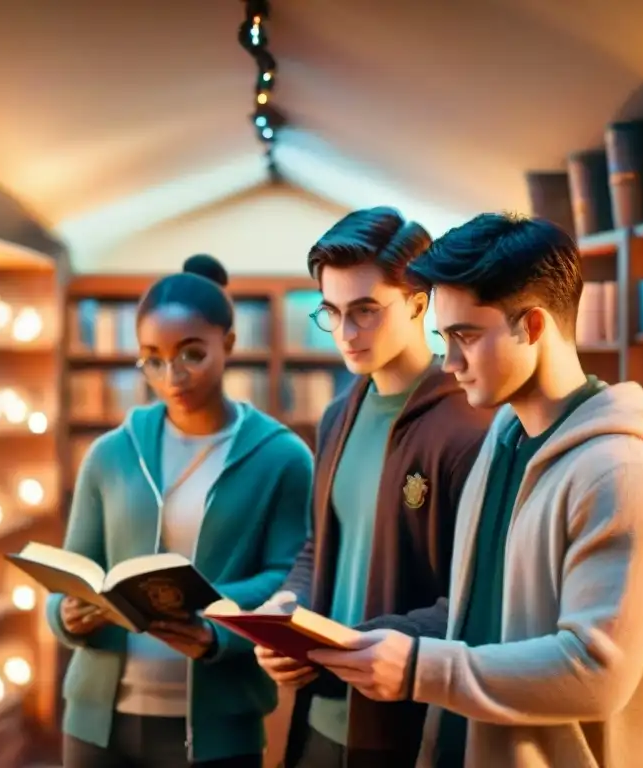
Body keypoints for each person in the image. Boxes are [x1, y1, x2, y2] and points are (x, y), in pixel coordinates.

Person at [307, 213, 643, 768]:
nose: (450, 363)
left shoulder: (623, 470)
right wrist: (369, 642)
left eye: (466, 338)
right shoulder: (504, 440)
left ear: (531, 327)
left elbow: (594, 673)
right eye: (445, 338)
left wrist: (419, 669)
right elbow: (479, 612)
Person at [46, 254, 314, 768]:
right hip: (99, 722)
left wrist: (214, 619)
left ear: (229, 345)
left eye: (192, 354)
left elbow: (289, 576)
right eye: (152, 358)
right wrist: (65, 614)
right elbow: (73, 570)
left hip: (221, 723)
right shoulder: (111, 452)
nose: (172, 376)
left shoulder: (282, 456)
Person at [252, 207, 491, 767]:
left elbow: (481, 598)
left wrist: (370, 640)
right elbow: (320, 544)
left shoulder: (467, 425)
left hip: (404, 722)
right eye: (331, 313)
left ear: (416, 302)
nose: (346, 334)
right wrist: (286, 609)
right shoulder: (339, 413)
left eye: (365, 311)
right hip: (319, 713)